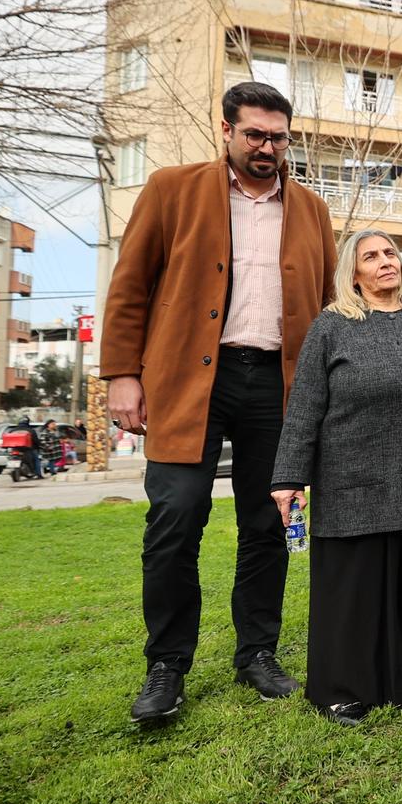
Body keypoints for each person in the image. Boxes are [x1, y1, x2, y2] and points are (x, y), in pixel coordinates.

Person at [103, 80, 337, 723]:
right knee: (175, 518)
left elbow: (321, 306)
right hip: (187, 380)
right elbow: (130, 286)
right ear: (226, 130)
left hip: (277, 385)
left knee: (269, 522)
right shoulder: (171, 189)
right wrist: (123, 373)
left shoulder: (311, 210)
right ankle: (167, 664)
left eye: (279, 137)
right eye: (255, 134)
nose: (267, 147)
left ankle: (257, 652)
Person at [269, 230, 402, 725]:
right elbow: (304, 408)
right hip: (353, 481)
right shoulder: (332, 328)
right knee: (355, 591)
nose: (386, 261)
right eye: (371, 256)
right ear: (353, 273)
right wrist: (288, 478)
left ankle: (400, 665)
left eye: (390, 253)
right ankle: (341, 688)